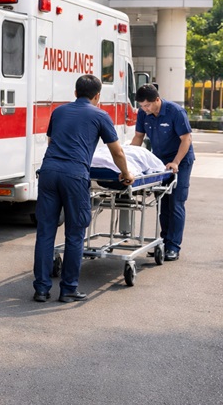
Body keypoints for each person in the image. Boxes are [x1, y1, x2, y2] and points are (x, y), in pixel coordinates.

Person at [32, 75, 134, 304]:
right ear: (98, 96)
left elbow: (51, 141)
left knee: (45, 232)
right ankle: (68, 290)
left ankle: (41, 289)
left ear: (75, 92)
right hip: (74, 176)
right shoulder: (100, 115)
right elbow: (117, 152)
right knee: (75, 233)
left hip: (48, 172)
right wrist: (127, 174)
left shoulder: (58, 112)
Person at [130, 84, 194, 261]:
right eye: (142, 106)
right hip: (159, 162)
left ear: (157, 100)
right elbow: (138, 137)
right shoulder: (144, 113)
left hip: (180, 160)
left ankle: (173, 246)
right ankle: (164, 243)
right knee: (163, 202)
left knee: (176, 202)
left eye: (148, 105)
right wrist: (127, 159)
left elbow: (186, 139)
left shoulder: (175, 112)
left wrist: (175, 162)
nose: (145, 109)